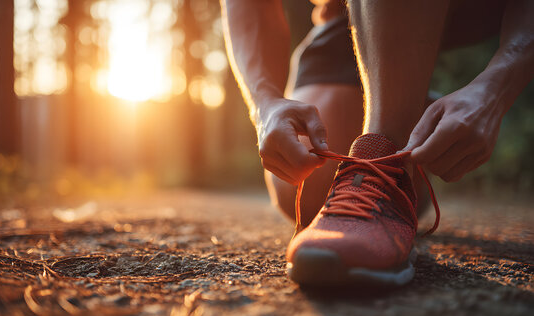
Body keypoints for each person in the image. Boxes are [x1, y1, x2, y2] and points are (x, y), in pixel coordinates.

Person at [220, 0, 534, 286]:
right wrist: (264, 105)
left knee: (374, 184)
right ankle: (408, 111)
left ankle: (388, 145)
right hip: (349, 16)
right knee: (305, 182)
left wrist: (496, 87)